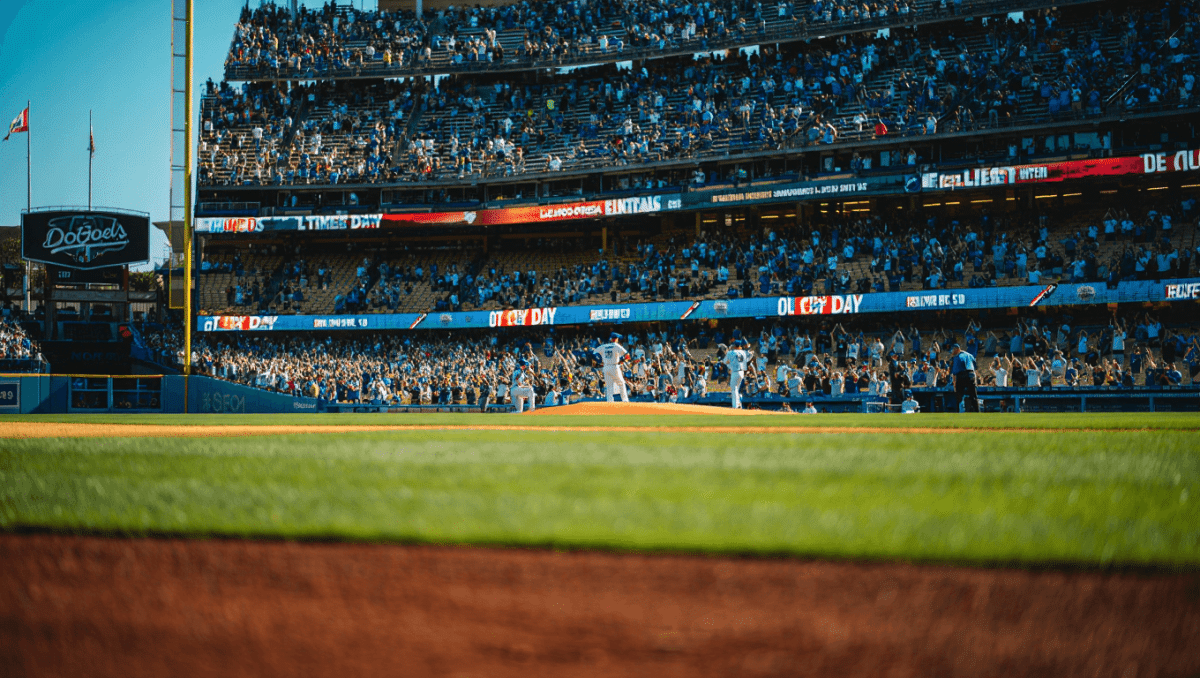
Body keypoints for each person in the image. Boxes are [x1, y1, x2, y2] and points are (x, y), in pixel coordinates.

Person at [598, 332, 630, 403]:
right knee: (621, 383)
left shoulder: (604, 346)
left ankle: (610, 401)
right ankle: (625, 400)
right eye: (617, 338)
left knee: (609, 386)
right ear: (615, 339)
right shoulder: (616, 345)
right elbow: (627, 355)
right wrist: (623, 361)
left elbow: (595, 354)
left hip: (606, 367)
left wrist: (601, 361)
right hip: (614, 366)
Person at [950, 343, 979, 412]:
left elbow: (954, 373)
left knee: (958, 396)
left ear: (957, 349)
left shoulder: (957, 357)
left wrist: (954, 385)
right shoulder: (970, 355)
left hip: (962, 375)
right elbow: (975, 368)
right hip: (972, 375)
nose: (952, 352)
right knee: (974, 396)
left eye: (952, 350)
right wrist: (976, 380)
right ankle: (977, 411)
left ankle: (957, 411)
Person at [727, 338, 753, 409]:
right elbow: (750, 356)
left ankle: (735, 406)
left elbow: (727, 361)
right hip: (741, 372)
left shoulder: (733, 352)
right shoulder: (743, 352)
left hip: (735, 372)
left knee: (734, 389)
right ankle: (739, 404)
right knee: (736, 389)